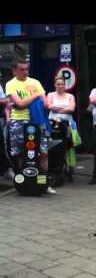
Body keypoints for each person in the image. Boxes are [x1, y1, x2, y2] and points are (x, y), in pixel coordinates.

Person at [5, 59, 56, 194]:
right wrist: (35, 95)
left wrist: (28, 100)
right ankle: (25, 182)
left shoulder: (35, 82)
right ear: (14, 70)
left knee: (43, 152)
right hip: (18, 121)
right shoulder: (10, 84)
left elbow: (45, 103)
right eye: (21, 69)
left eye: (27, 69)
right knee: (20, 152)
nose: (25, 72)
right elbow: (19, 104)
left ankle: (43, 183)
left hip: (38, 121)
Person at [46, 76, 79, 179]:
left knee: (69, 147)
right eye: (58, 84)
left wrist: (57, 109)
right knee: (54, 146)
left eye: (62, 84)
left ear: (65, 85)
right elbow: (49, 106)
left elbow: (72, 108)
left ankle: (69, 168)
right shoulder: (50, 95)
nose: (60, 86)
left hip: (68, 125)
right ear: (55, 85)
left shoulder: (70, 96)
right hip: (53, 125)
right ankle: (55, 169)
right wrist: (65, 108)